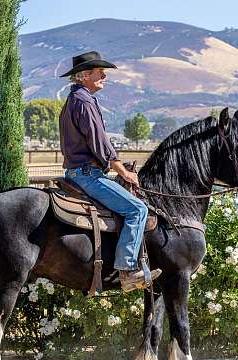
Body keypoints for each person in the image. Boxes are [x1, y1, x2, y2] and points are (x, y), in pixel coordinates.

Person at [58, 51, 161, 292]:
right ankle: (127, 272)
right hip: (88, 175)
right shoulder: (83, 101)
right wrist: (122, 171)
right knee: (138, 209)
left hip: (78, 172)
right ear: (84, 75)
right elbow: (100, 143)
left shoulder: (78, 99)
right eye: (98, 71)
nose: (104, 75)